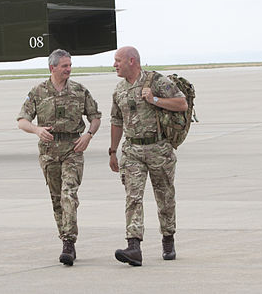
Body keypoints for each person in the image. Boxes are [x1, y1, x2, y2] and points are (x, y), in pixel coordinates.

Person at [17, 49, 101, 266]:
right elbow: (22, 120)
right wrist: (36, 130)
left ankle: (69, 243)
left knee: (68, 194)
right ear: (52, 68)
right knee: (57, 198)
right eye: (64, 66)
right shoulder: (38, 92)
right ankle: (64, 236)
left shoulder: (79, 90)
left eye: (70, 65)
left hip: (73, 148)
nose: (69, 69)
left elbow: (95, 117)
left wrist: (88, 136)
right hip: (48, 152)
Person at [109, 46, 188, 266]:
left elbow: (182, 104)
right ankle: (133, 246)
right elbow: (116, 121)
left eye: (118, 61)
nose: (114, 65)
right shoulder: (119, 90)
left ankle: (168, 238)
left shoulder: (157, 82)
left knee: (164, 198)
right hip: (132, 150)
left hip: (158, 149)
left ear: (131, 61)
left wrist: (154, 100)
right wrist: (113, 151)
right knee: (132, 197)